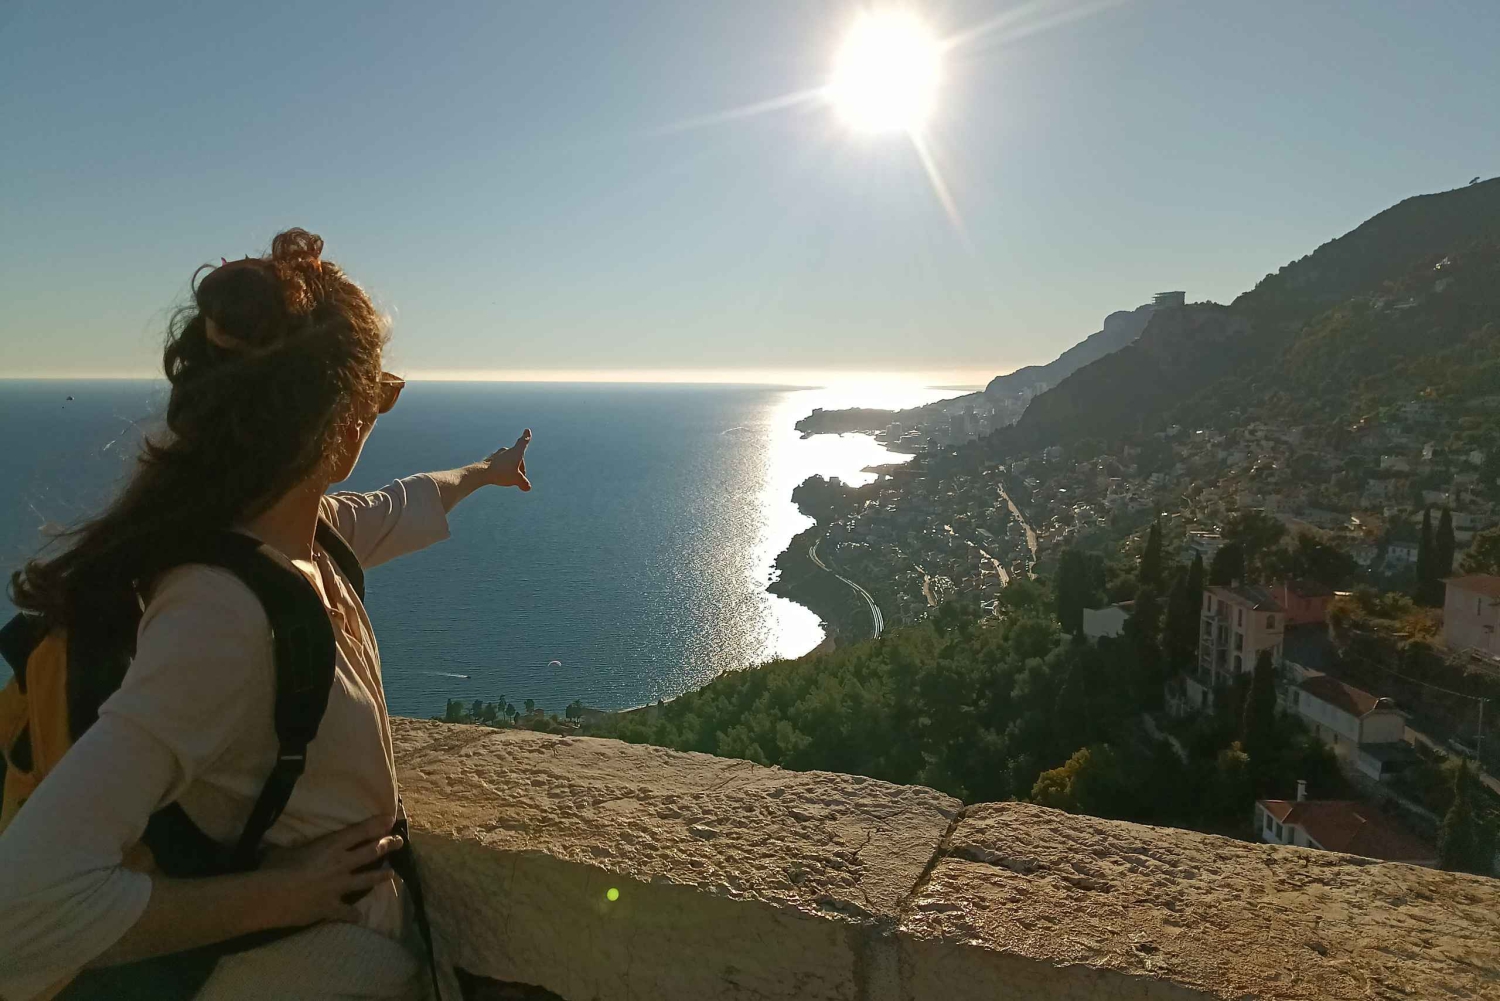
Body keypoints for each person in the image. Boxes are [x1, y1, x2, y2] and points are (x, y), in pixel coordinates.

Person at [0, 229, 532, 1000]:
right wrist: (278, 895)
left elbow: (411, 497)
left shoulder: (311, 537)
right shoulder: (220, 616)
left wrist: (483, 473)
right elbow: (21, 912)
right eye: (372, 396)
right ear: (344, 421)